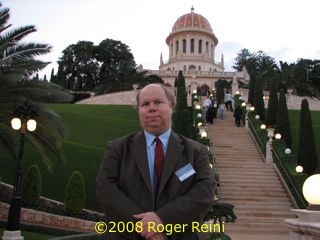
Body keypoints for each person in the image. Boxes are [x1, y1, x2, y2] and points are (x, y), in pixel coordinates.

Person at [96, 83, 215, 240]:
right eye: (145, 104)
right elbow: (105, 189)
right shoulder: (117, 148)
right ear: (139, 110)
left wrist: (163, 220)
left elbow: (204, 192)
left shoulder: (196, 151)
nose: (151, 108)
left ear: (172, 106)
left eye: (158, 102)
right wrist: (145, 227)